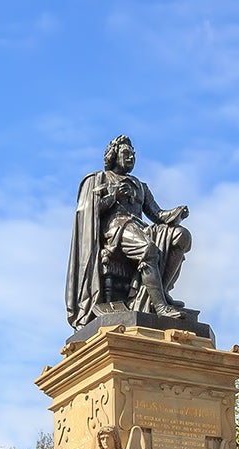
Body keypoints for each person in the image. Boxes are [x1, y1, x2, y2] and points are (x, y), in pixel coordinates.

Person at [66, 136, 192, 328]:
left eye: (133, 154)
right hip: (115, 230)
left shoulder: (140, 186)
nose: (131, 157)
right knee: (148, 248)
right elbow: (89, 212)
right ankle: (160, 307)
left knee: (180, 236)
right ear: (113, 156)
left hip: (138, 227)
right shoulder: (98, 179)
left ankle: (162, 292)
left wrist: (177, 214)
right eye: (126, 154)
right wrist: (113, 195)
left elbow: (158, 215)